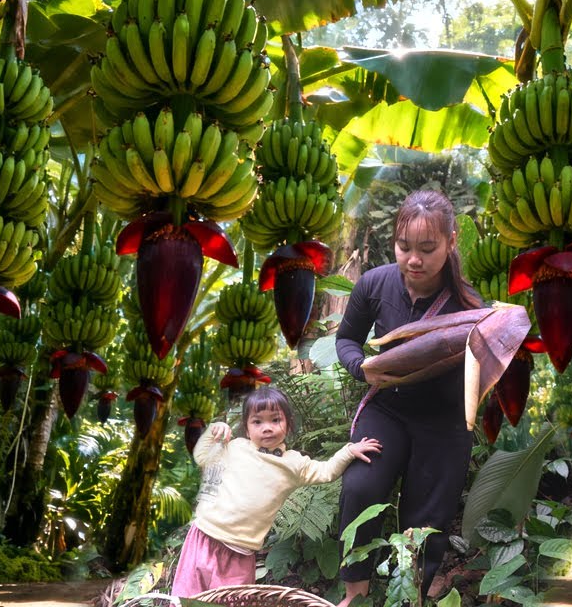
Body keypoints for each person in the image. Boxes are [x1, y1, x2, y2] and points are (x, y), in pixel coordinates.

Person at [335, 190, 484, 606]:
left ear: (451, 242)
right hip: (388, 408)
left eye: (427, 249)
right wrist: (361, 367)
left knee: (427, 518)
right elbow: (346, 339)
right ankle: (355, 594)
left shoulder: (470, 306)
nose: (413, 260)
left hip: (444, 422)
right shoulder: (375, 283)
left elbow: (484, 372)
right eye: (404, 247)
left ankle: (409, 596)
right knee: (361, 487)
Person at [171, 386, 382, 597]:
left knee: (232, 600)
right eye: (257, 422)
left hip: (242, 551)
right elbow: (201, 457)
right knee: (187, 597)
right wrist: (213, 431)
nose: (267, 428)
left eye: (275, 420)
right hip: (204, 537)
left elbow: (325, 471)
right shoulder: (234, 447)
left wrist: (348, 451)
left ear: (288, 424)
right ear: (246, 428)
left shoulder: (294, 464)